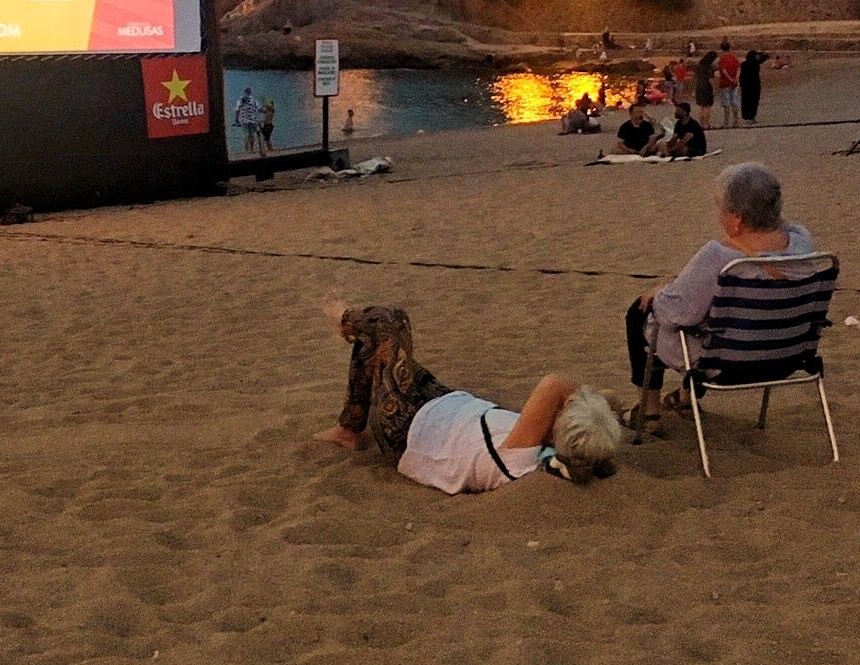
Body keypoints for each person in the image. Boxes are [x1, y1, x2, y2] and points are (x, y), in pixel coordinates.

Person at [318, 303, 622, 492]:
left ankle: (343, 319)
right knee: (378, 350)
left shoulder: (521, 455)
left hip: (408, 424)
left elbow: (555, 383)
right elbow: (608, 405)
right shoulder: (548, 452)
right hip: (444, 404)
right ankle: (348, 429)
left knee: (390, 320)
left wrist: (581, 396)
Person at [622, 163, 814, 434]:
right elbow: (780, 226)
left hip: (727, 364)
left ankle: (649, 412)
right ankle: (687, 400)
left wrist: (660, 292)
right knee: (719, 317)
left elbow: (676, 312)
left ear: (736, 218)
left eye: (721, 208)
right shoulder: (802, 242)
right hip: (786, 356)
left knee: (642, 311)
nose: (718, 216)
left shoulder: (720, 257)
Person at [739, 48, 768, 125]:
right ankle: (752, 117)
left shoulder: (744, 64)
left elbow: (741, 76)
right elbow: (765, 57)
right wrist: (761, 53)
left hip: (746, 86)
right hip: (754, 86)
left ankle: (748, 117)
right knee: (754, 102)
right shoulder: (756, 64)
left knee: (746, 102)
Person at [716, 43, 741, 128]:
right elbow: (738, 68)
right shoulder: (734, 57)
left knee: (726, 104)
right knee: (734, 102)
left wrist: (730, 79)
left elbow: (723, 70)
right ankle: (736, 122)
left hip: (725, 83)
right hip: (734, 83)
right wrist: (736, 78)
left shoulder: (722, 59)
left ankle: (726, 123)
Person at [694, 50, 717, 128]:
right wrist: (714, 89)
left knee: (701, 107)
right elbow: (710, 79)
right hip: (707, 87)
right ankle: (706, 124)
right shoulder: (709, 68)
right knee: (707, 106)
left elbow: (696, 78)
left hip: (699, 86)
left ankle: (701, 124)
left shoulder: (699, 66)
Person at [234, 87, 261, 153]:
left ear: (245, 92)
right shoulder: (254, 100)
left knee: (246, 135)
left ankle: (246, 151)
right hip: (253, 120)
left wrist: (236, 119)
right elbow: (259, 108)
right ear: (250, 92)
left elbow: (237, 110)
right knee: (252, 135)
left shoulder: (240, 99)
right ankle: (252, 149)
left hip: (244, 120)